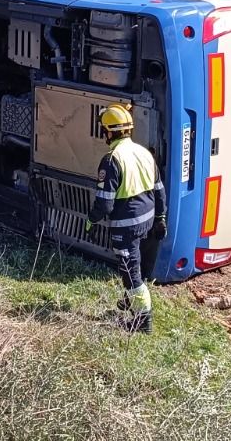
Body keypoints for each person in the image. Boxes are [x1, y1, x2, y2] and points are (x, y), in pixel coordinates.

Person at [88, 104, 167, 334]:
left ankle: (143, 322)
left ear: (109, 132)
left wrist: (91, 221)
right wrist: (161, 217)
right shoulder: (144, 153)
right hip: (148, 219)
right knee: (137, 262)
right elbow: (159, 190)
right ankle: (130, 299)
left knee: (130, 270)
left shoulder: (111, 159)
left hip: (127, 224)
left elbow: (105, 202)